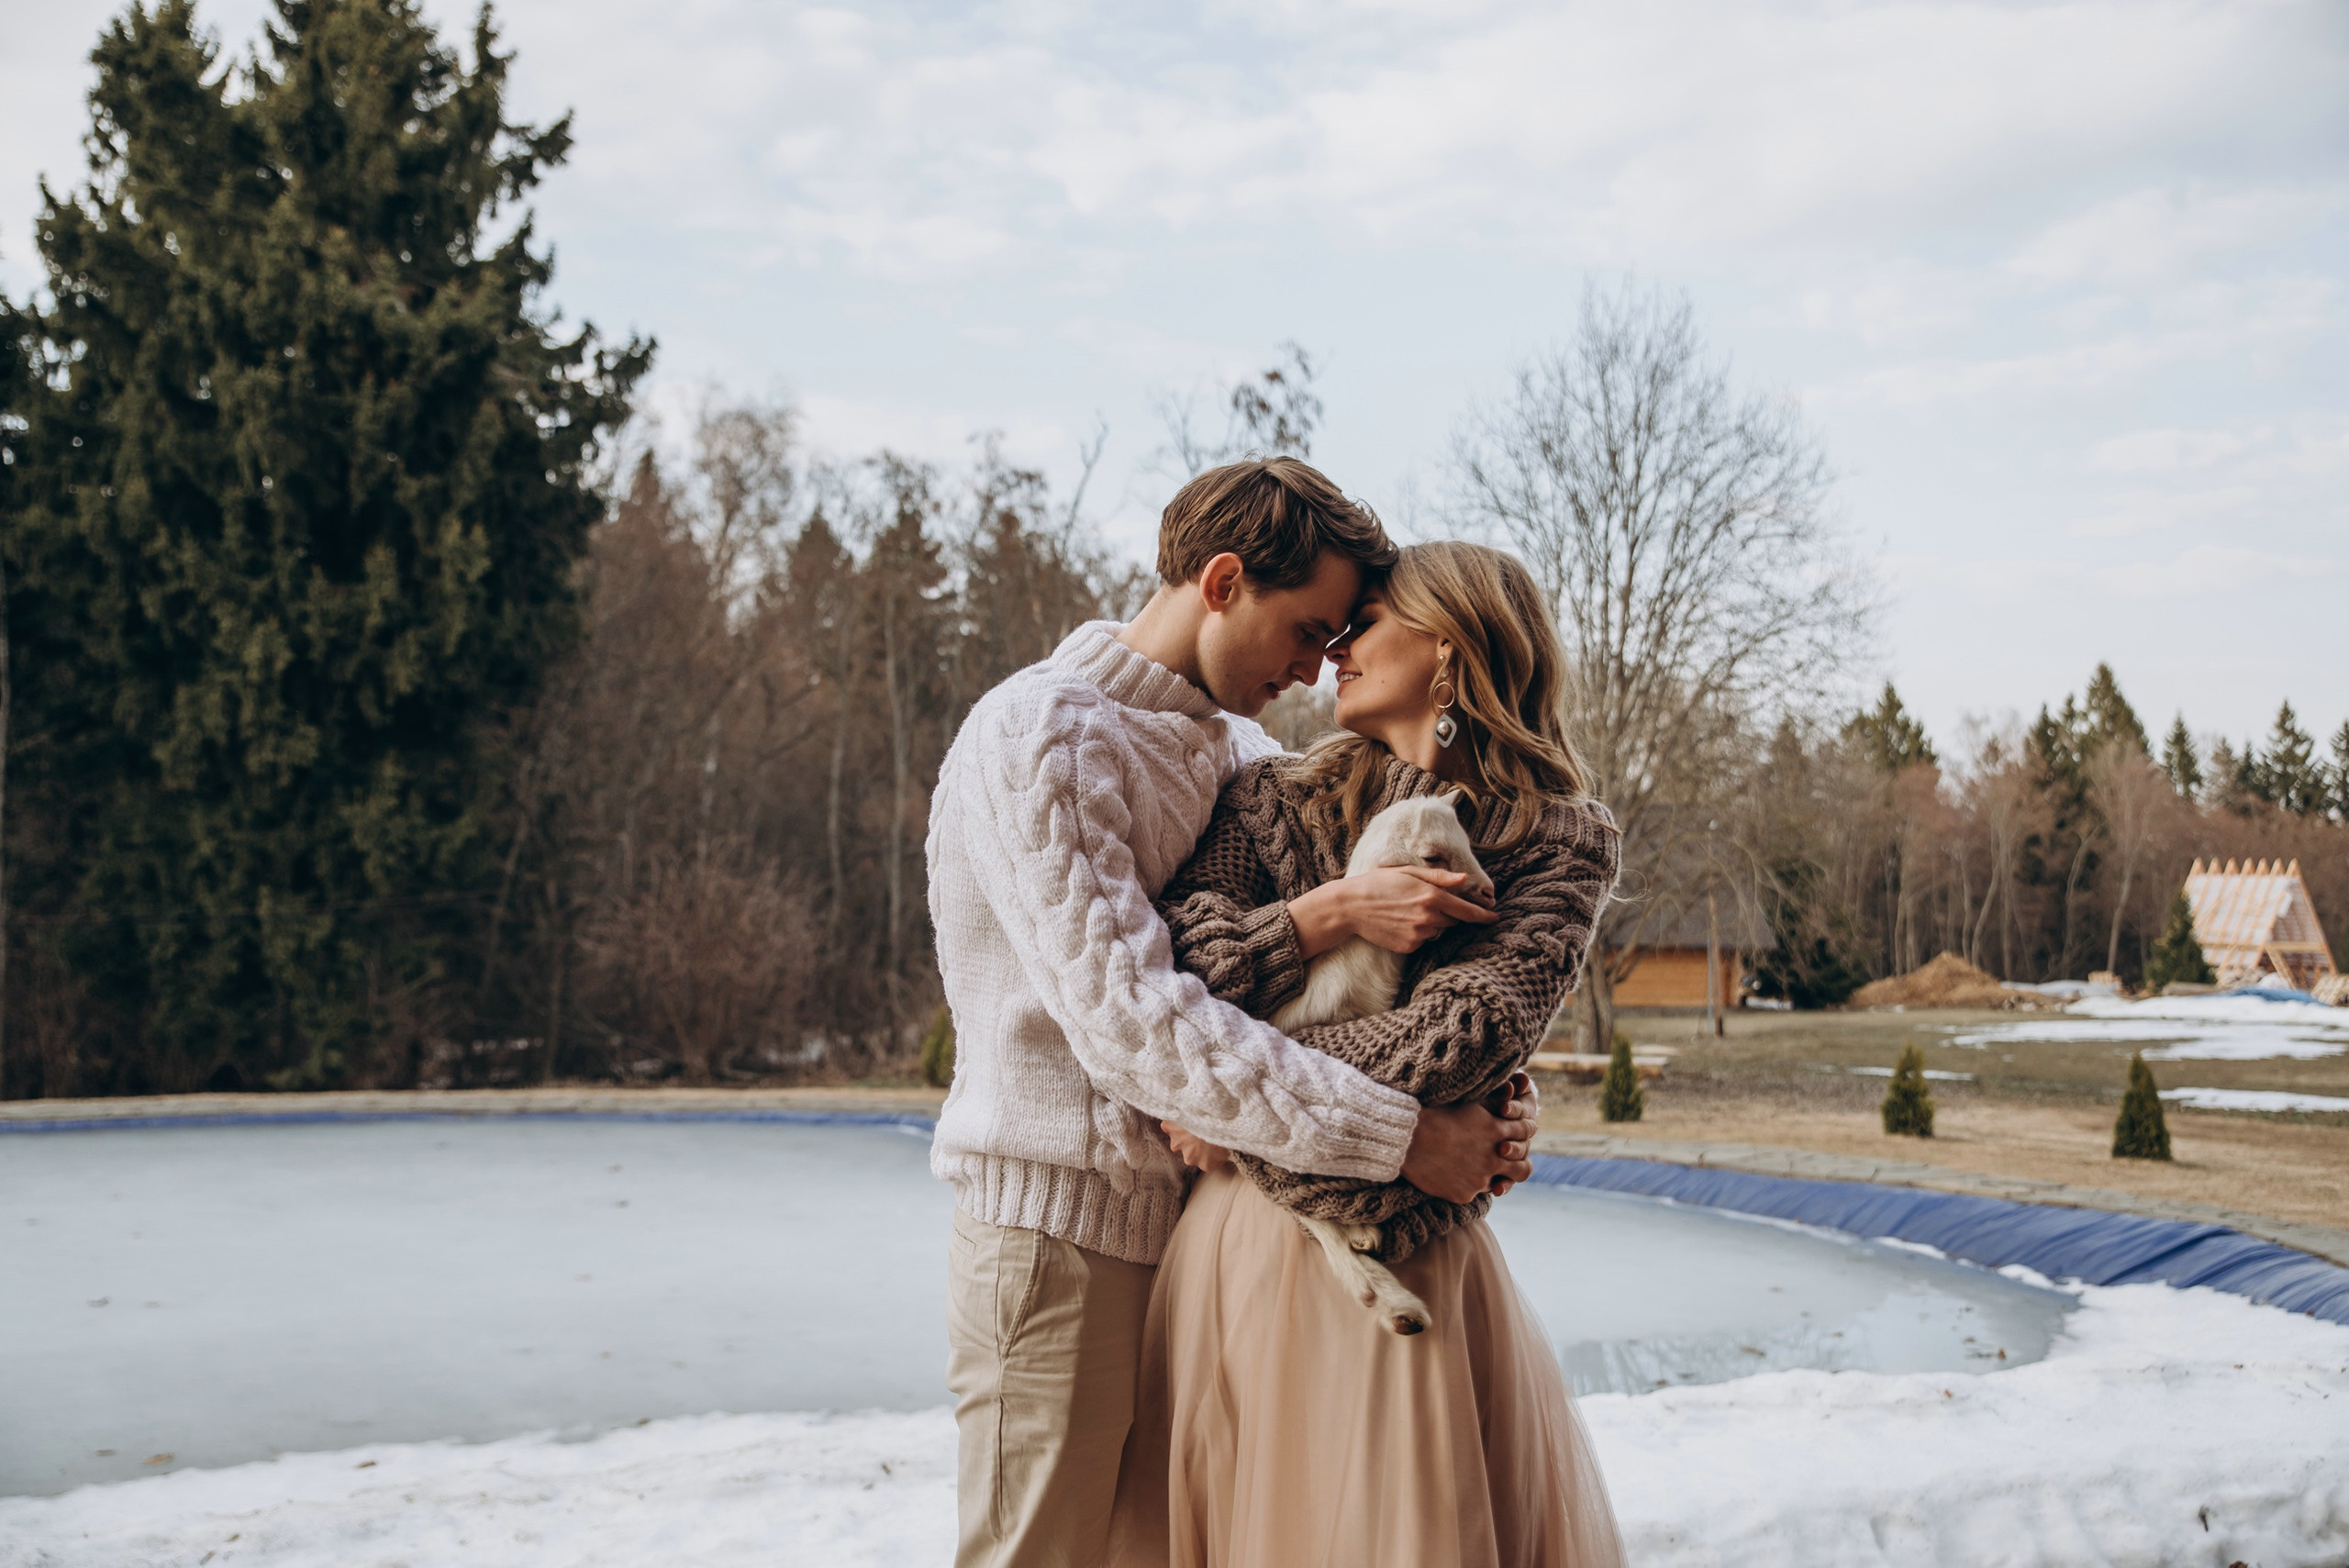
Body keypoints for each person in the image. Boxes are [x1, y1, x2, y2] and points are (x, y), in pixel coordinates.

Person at [925, 460, 1542, 1568]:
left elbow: (1315, 1001)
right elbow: (1137, 1025)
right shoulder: (1041, 735)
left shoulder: (1246, 756)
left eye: (1335, 638)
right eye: (1305, 631)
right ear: (1219, 582)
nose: (1315, 668)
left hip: (1211, 1232)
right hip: (1060, 1237)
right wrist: (1406, 1137)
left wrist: (1481, 1094)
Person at [1110, 539, 1628, 1568]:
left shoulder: (1558, 838)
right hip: (1236, 1259)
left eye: (1367, 620)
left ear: (1445, 648)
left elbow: (1458, 1040)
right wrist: (1321, 926)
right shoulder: (1265, 795)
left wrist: (1229, 1102)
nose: (1336, 645)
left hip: (1404, 1260)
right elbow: (1183, 981)